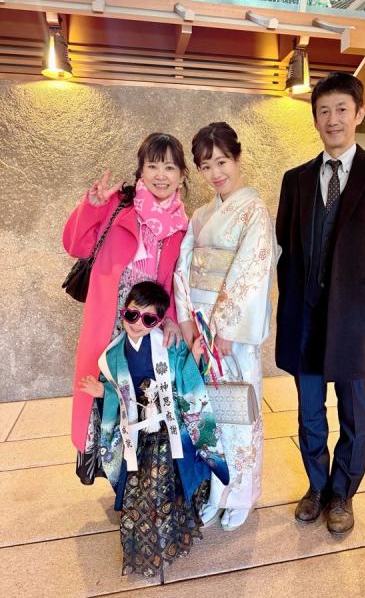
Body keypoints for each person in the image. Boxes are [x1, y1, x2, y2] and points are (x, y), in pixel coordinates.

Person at [275, 73, 365, 535]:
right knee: (310, 410)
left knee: (353, 409)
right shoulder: (295, 180)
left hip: (356, 318)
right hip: (305, 317)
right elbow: (286, 250)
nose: (332, 119)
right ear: (315, 119)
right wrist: (288, 307)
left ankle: (343, 493)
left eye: (341, 109)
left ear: (359, 114)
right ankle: (317, 486)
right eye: (323, 111)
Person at [78, 281, 229, 579]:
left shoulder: (166, 345)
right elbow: (115, 390)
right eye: (132, 315)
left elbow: (185, 380)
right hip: (136, 433)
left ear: (159, 321)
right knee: (140, 491)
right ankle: (146, 547)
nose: (137, 324)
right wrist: (102, 391)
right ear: (124, 311)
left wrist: (194, 355)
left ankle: (169, 540)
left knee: (166, 485)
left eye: (148, 319)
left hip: (167, 430)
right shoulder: (112, 355)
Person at [63, 133, 189, 484]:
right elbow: (75, 246)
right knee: (104, 387)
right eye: (153, 166)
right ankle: (109, 468)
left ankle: (139, 477)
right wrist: (92, 206)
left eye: (169, 167)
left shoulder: (182, 224)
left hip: (148, 324)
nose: (161, 175)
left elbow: (175, 280)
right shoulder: (119, 205)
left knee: (142, 394)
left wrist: (172, 319)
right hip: (110, 320)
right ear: (141, 171)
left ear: (181, 175)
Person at [174, 122, 279, 531]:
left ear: (237, 158)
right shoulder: (201, 215)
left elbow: (252, 272)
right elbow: (184, 267)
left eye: (222, 162)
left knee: (238, 413)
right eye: (206, 166)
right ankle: (214, 491)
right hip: (201, 330)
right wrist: (188, 322)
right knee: (206, 414)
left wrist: (226, 329)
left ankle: (241, 494)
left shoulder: (254, 211)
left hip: (229, 335)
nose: (215, 173)